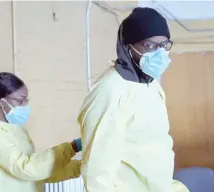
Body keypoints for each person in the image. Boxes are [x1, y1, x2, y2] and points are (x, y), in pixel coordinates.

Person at [78, 7, 189, 192]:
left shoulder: (150, 84)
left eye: (164, 45)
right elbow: (98, 172)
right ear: (128, 47)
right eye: (150, 46)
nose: (160, 53)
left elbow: (153, 148)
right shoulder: (109, 91)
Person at [0, 72, 82, 192]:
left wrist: (81, 166)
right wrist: (72, 148)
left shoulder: (16, 130)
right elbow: (28, 169)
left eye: (26, 100)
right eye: (20, 101)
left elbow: (39, 173)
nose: (25, 105)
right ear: (0, 101)